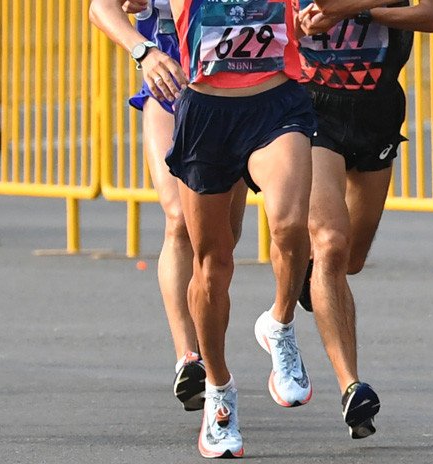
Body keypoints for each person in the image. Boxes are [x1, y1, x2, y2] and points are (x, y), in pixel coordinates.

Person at [260, 0, 433, 440]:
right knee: (329, 242)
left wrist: (359, 12)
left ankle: (294, 290)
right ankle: (351, 386)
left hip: (377, 111)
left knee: (351, 259)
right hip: (309, 108)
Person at [89, 0, 248, 414]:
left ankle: (211, 343)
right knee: (178, 219)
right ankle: (188, 359)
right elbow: (100, 8)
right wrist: (143, 50)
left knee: (220, 241)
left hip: (233, 94)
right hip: (169, 90)